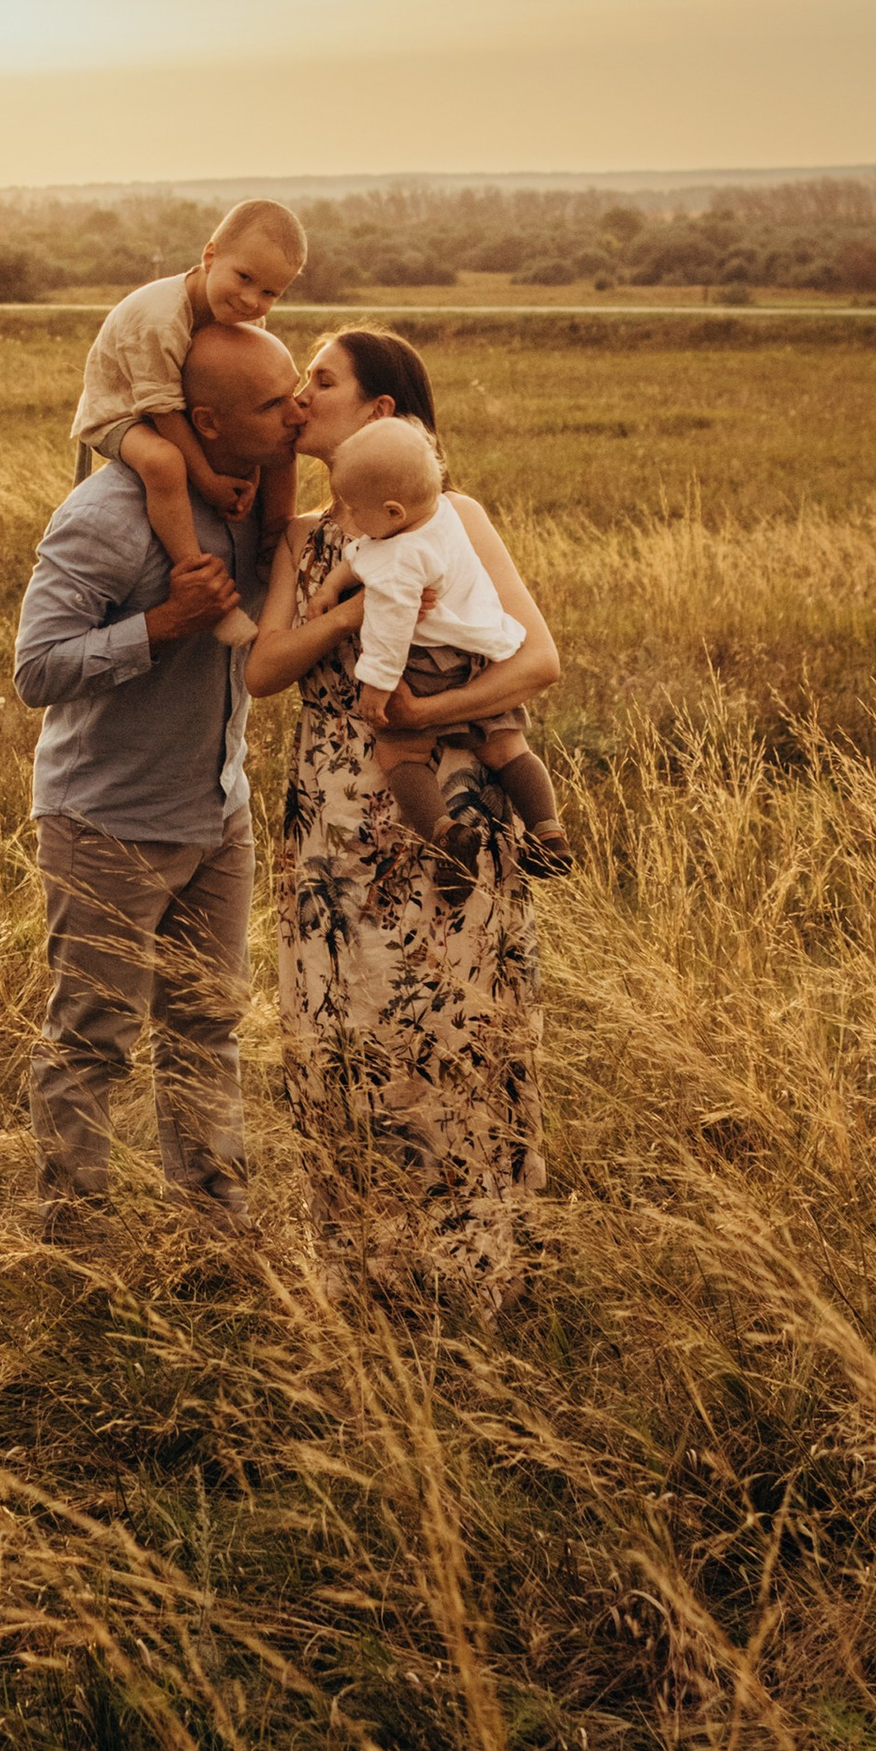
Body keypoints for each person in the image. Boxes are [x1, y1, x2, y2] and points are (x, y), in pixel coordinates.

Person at [248, 328, 560, 1299]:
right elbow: (263, 669)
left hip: (440, 801)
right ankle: (360, 1273)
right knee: (338, 1031)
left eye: (323, 380)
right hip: (332, 820)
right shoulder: (302, 539)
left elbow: (536, 659)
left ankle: (471, 1270)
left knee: (454, 1028)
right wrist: (349, 613)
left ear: (379, 411)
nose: (302, 394)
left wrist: (425, 713)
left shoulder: (451, 516)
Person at [14, 321, 304, 1237]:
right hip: (106, 820)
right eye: (273, 403)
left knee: (208, 1027)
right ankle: (74, 1237)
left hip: (219, 810)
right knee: (92, 1038)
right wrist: (163, 624)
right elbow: (37, 670)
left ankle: (215, 1226)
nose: (295, 413)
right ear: (206, 423)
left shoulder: (259, 502)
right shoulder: (106, 515)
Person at [321, 413, 571, 877]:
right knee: (507, 747)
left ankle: (445, 834)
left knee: (400, 754)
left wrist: (378, 684)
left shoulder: (399, 556)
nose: (351, 519)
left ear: (393, 513)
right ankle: (547, 829)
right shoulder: (445, 514)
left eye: (356, 509)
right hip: (480, 655)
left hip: (427, 664)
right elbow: (360, 557)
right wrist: (332, 585)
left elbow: (391, 626)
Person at [65, 202, 307, 647]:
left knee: (278, 438)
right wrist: (209, 482)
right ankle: (200, 581)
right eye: (244, 277)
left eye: (270, 292)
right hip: (123, 411)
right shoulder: (159, 318)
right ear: (210, 255)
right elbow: (163, 411)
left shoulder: (243, 315)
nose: (251, 300)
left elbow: (239, 392)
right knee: (164, 462)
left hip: (186, 405)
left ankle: (275, 549)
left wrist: (250, 475)